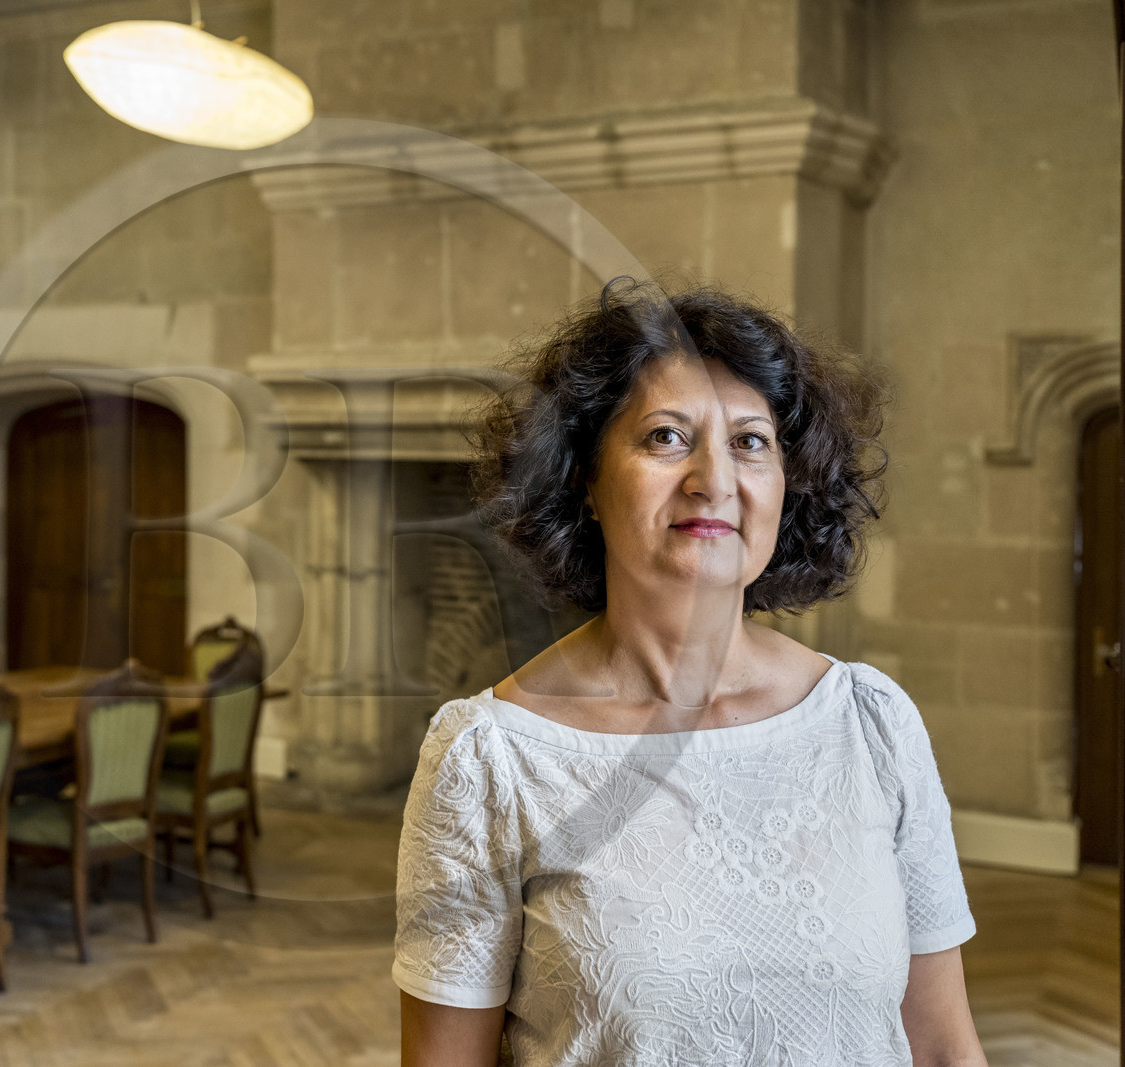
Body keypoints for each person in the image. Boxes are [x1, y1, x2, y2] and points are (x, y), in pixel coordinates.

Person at [396, 281, 985, 1067]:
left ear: (787, 482)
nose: (715, 478)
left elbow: (943, 1046)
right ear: (583, 479)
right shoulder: (489, 761)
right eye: (667, 437)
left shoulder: (871, 722)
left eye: (751, 442)